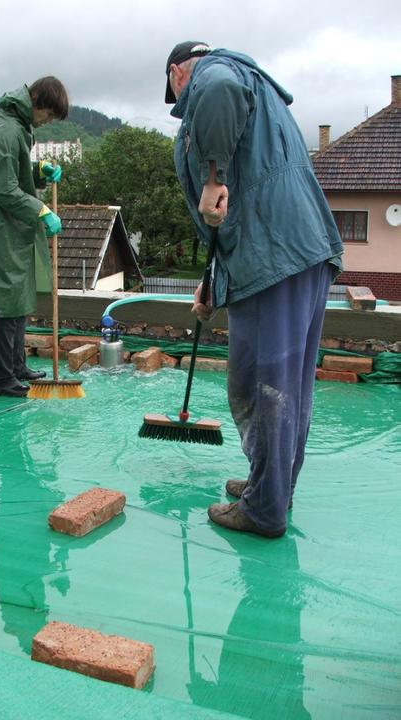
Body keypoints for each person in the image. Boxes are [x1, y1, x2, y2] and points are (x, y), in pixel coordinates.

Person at [165, 42, 343, 538]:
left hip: (274, 256)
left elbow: (219, 89)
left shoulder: (216, 74)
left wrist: (211, 176)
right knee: (287, 387)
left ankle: (264, 509)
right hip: (298, 252)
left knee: (262, 387)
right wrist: (212, 284)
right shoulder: (258, 90)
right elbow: (237, 208)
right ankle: (272, 488)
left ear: (178, 74)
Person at [0, 77, 68, 397]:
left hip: (11, 224)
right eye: (49, 115)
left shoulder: (17, 125)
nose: (47, 122)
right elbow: (4, 189)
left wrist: (39, 170)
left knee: (18, 295)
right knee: (8, 302)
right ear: (38, 102)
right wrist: (41, 210)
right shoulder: (6, 130)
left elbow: (13, 169)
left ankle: (15, 366)